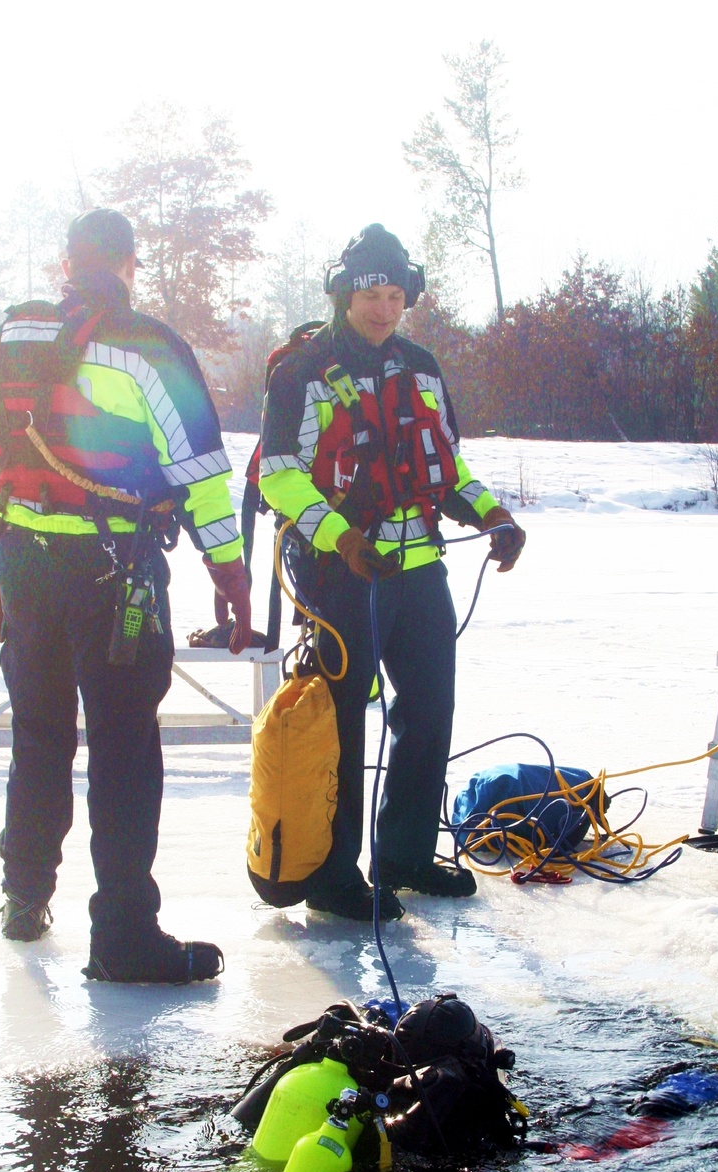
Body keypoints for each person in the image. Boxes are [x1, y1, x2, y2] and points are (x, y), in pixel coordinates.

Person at [0, 208, 251, 982]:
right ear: (127, 266)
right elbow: (200, 473)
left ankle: (24, 900)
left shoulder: (11, 339)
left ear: (65, 263)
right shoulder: (149, 344)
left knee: (40, 734)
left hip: (23, 563)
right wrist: (231, 574)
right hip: (112, 570)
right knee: (122, 746)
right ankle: (122, 935)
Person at [258, 224, 525, 922]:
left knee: (429, 710)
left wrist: (493, 516)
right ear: (345, 292)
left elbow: (446, 463)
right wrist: (342, 540)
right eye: (371, 293)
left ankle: (404, 856)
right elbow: (279, 477)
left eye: (395, 294)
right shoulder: (301, 372)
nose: (383, 307)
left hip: (419, 567)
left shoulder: (422, 364)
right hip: (341, 572)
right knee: (342, 721)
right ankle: (333, 874)